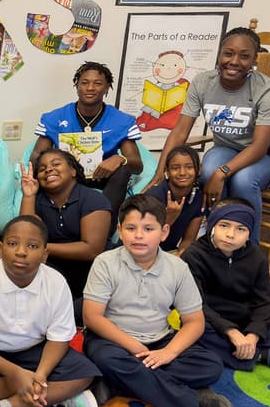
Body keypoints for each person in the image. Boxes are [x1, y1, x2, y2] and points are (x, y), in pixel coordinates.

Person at [82, 195, 234, 407]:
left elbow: (194, 321)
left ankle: (118, 383)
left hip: (161, 341)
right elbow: (92, 317)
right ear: (120, 231)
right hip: (114, 341)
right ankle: (193, 399)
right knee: (105, 358)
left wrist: (168, 352)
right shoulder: (105, 262)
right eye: (131, 228)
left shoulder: (178, 267)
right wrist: (133, 345)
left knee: (211, 365)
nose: (139, 235)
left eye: (148, 228)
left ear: (164, 232)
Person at [147, 27, 270, 241]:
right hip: (227, 149)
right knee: (207, 171)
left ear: (254, 60)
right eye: (228, 53)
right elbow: (180, 132)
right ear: (219, 53)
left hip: (269, 154)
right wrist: (160, 171)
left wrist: (222, 172)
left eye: (244, 56)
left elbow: (259, 146)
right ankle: (214, 236)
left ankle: (248, 247)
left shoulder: (268, 89)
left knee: (243, 179)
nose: (234, 61)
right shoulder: (203, 82)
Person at [0, 216, 100, 407]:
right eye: (13, 244)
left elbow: (59, 338)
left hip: (36, 350)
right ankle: (57, 395)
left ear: (45, 254)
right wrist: (15, 373)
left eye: (32, 245)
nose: (21, 252)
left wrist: (41, 374)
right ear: (1, 249)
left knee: (86, 373)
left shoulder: (56, 282)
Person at [182, 199, 270, 376]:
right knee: (191, 332)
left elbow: (264, 301)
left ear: (249, 233)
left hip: (245, 320)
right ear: (212, 225)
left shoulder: (256, 256)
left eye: (240, 229)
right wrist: (230, 331)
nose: (230, 234)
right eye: (224, 225)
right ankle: (263, 355)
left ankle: (243, 347)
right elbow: (196, 305)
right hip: (211, 321)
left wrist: (254, 334)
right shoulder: (194, 255)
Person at [31, 61, 143, 217]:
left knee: (123, 172)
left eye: (97, 83)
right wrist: (53, 164)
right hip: (67, 176)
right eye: (84, 83)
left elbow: (137, 165)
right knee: (45, 170)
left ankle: (105, 225)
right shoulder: (55, 117)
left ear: (106, 88)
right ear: (77, 86)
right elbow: (36, 155)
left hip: (102, 176)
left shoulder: (121, 120)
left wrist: (120, 159)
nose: (90, 88)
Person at [19, 148, 111, 304]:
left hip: (92, 273)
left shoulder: (92, 199)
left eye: (56, 164)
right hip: (53, 270)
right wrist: (28, 196)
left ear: (73, 171)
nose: (48, 169)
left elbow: (91, 250)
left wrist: (43, 248)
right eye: (42, 169)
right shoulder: (38, 200)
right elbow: (26, 237)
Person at [145, 146, 204, 255]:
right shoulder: (154, 196)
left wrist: (180, 257)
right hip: (144, 252)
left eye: (189, 167)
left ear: (199, 169)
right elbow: (143, 239)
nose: (182, 172)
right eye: (175, 168)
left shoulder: (198, 197)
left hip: (169, 253)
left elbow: (188, 240)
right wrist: (169, 218)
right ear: (167, 170)